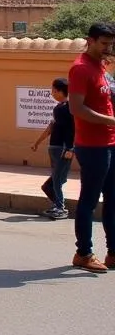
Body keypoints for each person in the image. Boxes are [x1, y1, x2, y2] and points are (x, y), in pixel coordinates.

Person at [68, 22, 115, 273]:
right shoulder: (80, 69)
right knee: (89, 200)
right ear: (90, 40)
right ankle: (83, 253)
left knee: (113, 199)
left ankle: (113, 252)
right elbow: (77, 108)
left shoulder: (101, 66)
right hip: (92, 146)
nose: (108, 48)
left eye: (111, 43)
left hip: (110, 142)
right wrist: (111, 120)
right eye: (104, 43)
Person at [32, 77, 75, 219]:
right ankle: (56, 205)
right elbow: (51, 128)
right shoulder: (58, 108)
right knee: (52, 183)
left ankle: (60, 208)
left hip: (63, 149)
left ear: (59, 91)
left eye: (53, 90)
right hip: (54, 148)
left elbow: (71, 130)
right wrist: (37, 142)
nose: (52, 93)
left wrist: (70, 148)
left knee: (57, 180)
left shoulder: (69, 108)